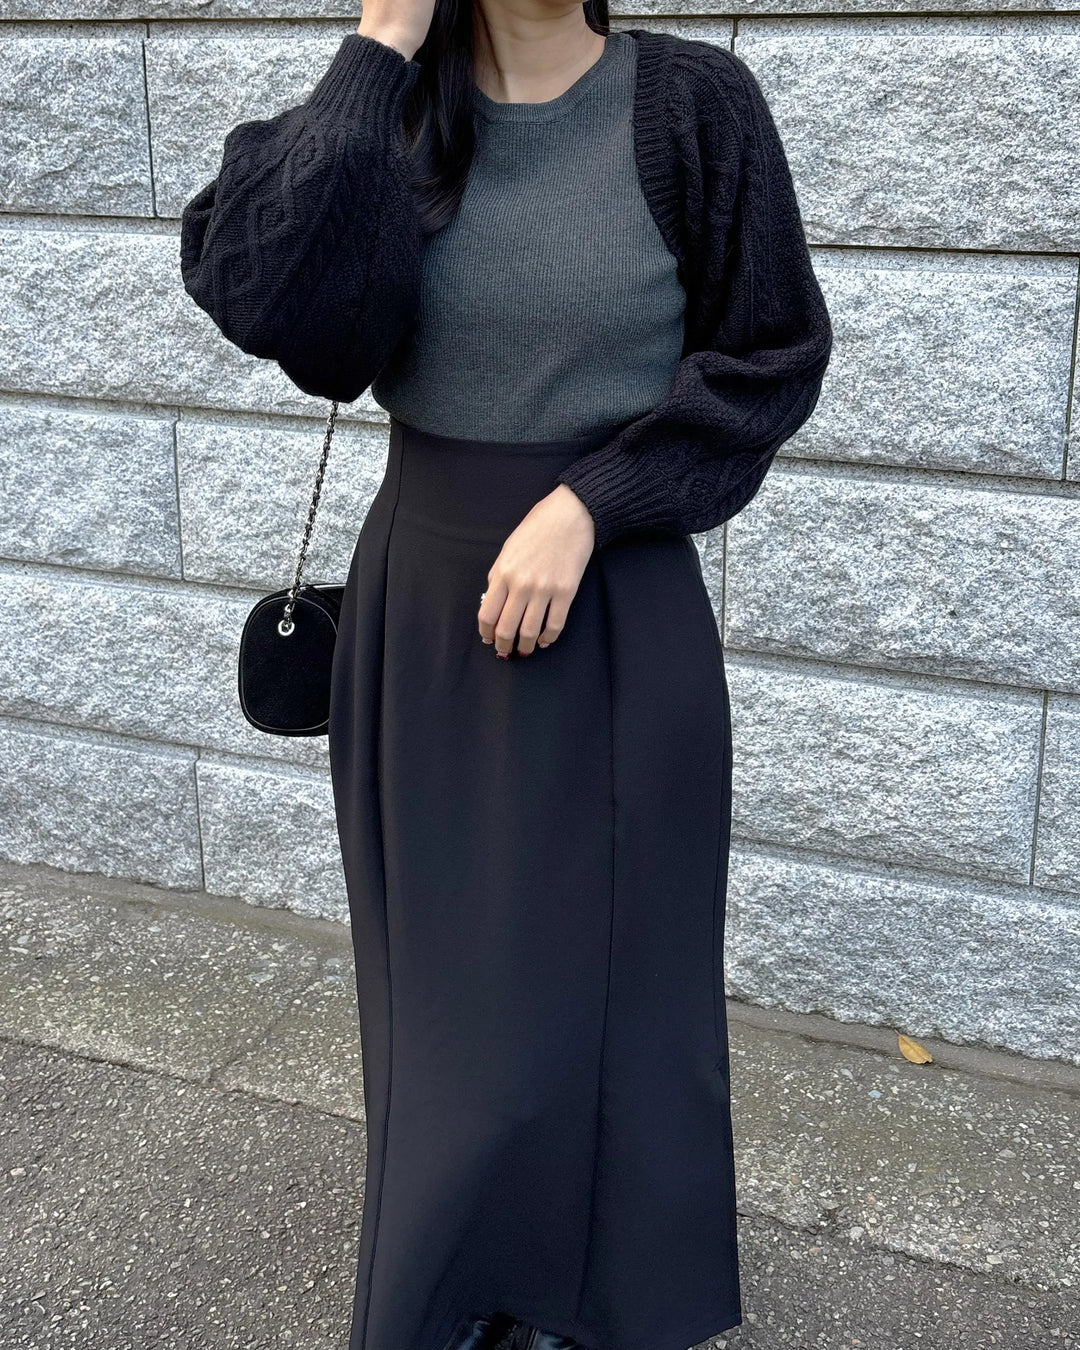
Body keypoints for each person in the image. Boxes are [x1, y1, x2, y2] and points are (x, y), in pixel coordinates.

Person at [179, 2, 833, 1348]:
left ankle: (605, 1299)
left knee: (623, 989)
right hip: (428, 614)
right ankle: (461, 1292)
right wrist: (377, 47)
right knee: (455, 1009)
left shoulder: (694, 106)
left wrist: (594, 502)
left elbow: (772, 355)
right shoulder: (392, 117)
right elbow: (266, 299)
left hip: (620, 609)